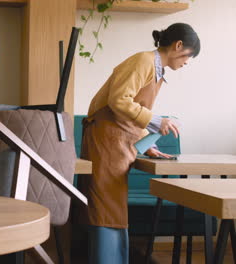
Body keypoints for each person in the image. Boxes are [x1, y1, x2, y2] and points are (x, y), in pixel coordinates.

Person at [78, 23, 200, 263]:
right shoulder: (144, 61)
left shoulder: (156, 70)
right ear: (178, 46)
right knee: (105, 210)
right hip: (106, 140)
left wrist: (146, 142)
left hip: (117, 141)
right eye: (188, 56)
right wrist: (156, 121)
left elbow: (130, 113)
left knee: (111, 210)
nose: (187, 63)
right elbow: (119, 101)